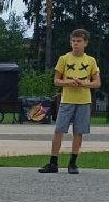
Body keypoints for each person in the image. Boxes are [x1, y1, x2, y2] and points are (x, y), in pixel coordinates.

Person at [39, 29, 100, 175]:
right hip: (67, 100)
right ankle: (53, 162)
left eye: (79, 41)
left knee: (78, 132)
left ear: (85, 43)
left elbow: (97, 83)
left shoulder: (90, 61)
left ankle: (73, 162)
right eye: (73, 41)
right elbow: (56, 80)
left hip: (83, 101)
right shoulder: (64, 59)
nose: (75, 44)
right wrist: (68, 82)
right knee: (59, 130)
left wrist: (84, 84)